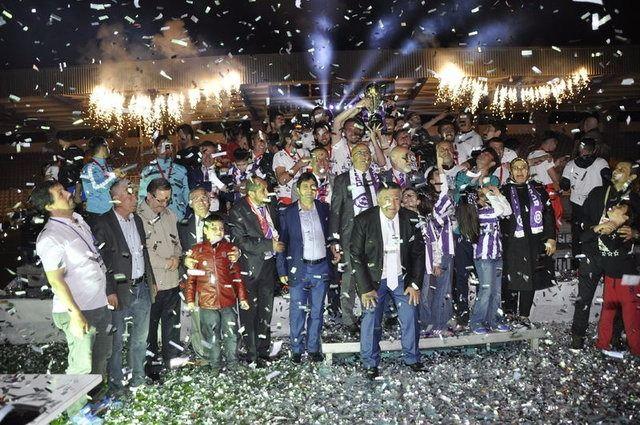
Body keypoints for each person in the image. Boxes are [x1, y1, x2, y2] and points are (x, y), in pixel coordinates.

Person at [32, 181, 112, 415]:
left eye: (64, 190)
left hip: (98, 304)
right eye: (60, 193)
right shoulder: (50, 237)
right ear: (49, 206)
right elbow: (56, 280)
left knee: (100, 359)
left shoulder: (78, 220)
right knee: (81, 365)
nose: (68, 193)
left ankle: (95, 404)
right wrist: (75, 314)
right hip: (77, 310)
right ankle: (75, 413)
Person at [351, 182, 426, 379]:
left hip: (402, 278)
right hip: (374, 279)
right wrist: (365, 288)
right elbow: (356, 255)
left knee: (410, 316)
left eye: (396, 198)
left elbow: (419, 253)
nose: (392, 204)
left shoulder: (411, 219)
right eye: (387, 199)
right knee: (371, 319)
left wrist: (414, 284)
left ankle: (412, 358)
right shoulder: (364, 220)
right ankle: (370, 363)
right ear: (378, 200)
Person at [90, 179, 156, 392]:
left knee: (140, 339)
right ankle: (117, 385)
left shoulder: (137, 220)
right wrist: (109, 290)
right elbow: (102, 261)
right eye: (129, 195)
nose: (135, 198)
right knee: (116, 342)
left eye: (134, 195)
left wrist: (151, 281)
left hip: (142, 288)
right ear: (116, 199)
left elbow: (143, 253)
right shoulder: (104, 223)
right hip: (119, 291)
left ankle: (138, 379)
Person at [570, 160, 640, 349]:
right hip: (592, 254)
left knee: (618, 303)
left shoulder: (635, 200)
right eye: (616, 167)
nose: (617, 170)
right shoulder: (597, 193)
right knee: (584, 298)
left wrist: (635, 233)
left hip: (619, 260)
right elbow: (580, 220)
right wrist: (595, 227)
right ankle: (577, 337)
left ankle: (614, 338)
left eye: (622, 169)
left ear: (632, 176)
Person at [277, 173, 338, 363]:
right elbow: (282, 242)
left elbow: (331, 236)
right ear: (298, 189)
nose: (310, 190)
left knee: (317, 311)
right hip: (299, 267)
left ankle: (313, 348)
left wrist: (334, 250)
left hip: (321, 267)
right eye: (306, 187)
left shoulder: (324, 208)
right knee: (297, 311)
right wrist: (282, 269)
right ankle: (296, 349)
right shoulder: (287, 212)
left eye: (313, 186)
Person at [226, 176, 284, 366]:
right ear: (251, 193)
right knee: (250, 313)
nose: (267, 193)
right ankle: (251, 354)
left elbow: (276, 228)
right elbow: (240, 240)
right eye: (263, 190)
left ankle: (263, 350)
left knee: (266, 310)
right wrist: (269, 244)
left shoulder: (270, 205)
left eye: (267, 189)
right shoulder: (238, 210)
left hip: (268, 265)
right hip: (249, 268)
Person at [185, 214, 250, 375]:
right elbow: (191, 279)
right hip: (207, 302)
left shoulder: (229, 249)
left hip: (228, 301)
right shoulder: (197, 251)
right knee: (211, 335)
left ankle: (233, 362)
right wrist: (190, 300)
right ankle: (215, 365)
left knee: (231, 333)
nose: (218, 231)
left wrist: (242, 297)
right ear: (205, 230)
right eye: (214, 228)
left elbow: (236, 275)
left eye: (221, 228)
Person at [329, 143, 380, 334]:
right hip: (350, 236)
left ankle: (371, 317)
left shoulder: (377, 178)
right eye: (359, 153)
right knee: (349, 278)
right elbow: (336, 211)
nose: (364, 156)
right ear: (351, 156)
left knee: (373, 275)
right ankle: (348, 320)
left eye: (367, 153)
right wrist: (334, 240)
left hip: (374, 236)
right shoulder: (343, 179)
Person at [501, 158, 557, 327]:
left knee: (530, 277)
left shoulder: (538, 190)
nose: (520, 171)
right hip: (511, 242)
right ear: (511, 172)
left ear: (528, 171)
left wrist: (551, 238)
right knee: (510, 277)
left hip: (533, 241)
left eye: (523, 168)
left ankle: (524, 315)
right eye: (516, 168)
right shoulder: (503, 191)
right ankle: (509, 313)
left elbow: (548, 214)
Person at [138, 178, 183, 376]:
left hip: (172, 280)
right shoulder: (138, 217)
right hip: (153, 282)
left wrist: (177, 258)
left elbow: (177, 243)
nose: (164, 204)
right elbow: (143, 251)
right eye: (160, 200)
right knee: (150, 328)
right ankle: (151, 365)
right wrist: (166, 262)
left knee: (172, 325)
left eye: (167, 200)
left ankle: (171, 360)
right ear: (149, 196)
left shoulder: (170, 215)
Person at [452, 147, 500, 326]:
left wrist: (480, 182)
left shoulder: (493, 180)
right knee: (462, 274)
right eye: (481, 153)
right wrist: (473, 176)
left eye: (487, 154)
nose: (482, 155)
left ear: (493, 163)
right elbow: (458, 196)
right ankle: (462, 312)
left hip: (484, 237)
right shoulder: (462, 175)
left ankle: (482, 315)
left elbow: (488, 198)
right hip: (463, 232)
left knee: (482, 278)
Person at [586, 202, 640, 355]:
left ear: (625, 217)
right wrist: (601, 228)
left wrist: (603, 231)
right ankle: (602, 344)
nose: (614, 208)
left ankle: (636, 349)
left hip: (629, 279)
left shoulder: (625, 231)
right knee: (607, 313)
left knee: (631, 316)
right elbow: (585, 237)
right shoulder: (606, 226)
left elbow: (612, 245)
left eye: (619, 208)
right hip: (611, 278)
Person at [457, 185, 512, 334]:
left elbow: (508, 211)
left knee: (497, 291)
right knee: (486, 291)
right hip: (484, 257)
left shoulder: (489, 208)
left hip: (496, 255)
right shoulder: (480, 213)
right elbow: (500, 211)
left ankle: (494, 320)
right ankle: (476, 322)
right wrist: (492, 195)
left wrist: (499, 194)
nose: (486, 196)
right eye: (482, 195)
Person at [560, 138, 611, 266]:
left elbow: (564, 185)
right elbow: (608, 178)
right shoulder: (601, 162)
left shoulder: (570, 164)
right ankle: (598, 262)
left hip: (578, 204)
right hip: (596, 204)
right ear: (594, 149)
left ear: (579, 149)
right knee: (597, 230)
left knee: (577, 233)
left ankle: (577, 263)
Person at [139, 135, 191, 221]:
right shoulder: (147, 171)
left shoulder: (181, 170)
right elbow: (142, 195)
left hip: (178, 215)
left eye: (167, 145)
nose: (164, 149)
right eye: (160, 146)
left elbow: (186, 194)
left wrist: (187, 212)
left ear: (171, 148)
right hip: (156, 216)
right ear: (155, 149)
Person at [80, 136, 124, 219]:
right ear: (102, 147)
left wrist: (118, 178)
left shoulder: (106, 166)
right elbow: (98, 187)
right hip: (97, 213)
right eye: (107, 146)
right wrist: (114, 175)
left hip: (110, 210)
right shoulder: (90, 168)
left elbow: (109, 184)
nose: (108, 149)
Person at [528, 133, 565, 229]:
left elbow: (540, 170)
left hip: (533, 189)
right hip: (547, 190)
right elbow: (553, 177)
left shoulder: (531, 154)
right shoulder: (546, 156)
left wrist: (555, 164)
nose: (555, 146)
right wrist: (559, 172)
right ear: (550, 142)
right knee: (553, 214)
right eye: (555, 144)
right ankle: (552, 234)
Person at [272, 123, 311, 205]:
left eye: (299, 133)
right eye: (296, 134)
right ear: (288, 139)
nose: (300, 136)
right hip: (287, 201)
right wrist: (298, 165)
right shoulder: (279, 156)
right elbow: (282, 180)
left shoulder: (303, 152)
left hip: (303, 198)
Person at [187, 141, 228, 212]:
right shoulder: (193, 171)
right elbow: (193, 188)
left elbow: (228, 192)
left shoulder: (223, 171)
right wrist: (213, 184)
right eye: (204, 154)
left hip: (219, 211)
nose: (208, 157)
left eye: (211, 154)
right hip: (200, 210)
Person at [56, 131, 85, 203]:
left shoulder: (66, 153)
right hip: (75, 184)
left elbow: (73, 168)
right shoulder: (78, 150)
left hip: (71, 185)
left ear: (61, 140)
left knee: (72, 205)